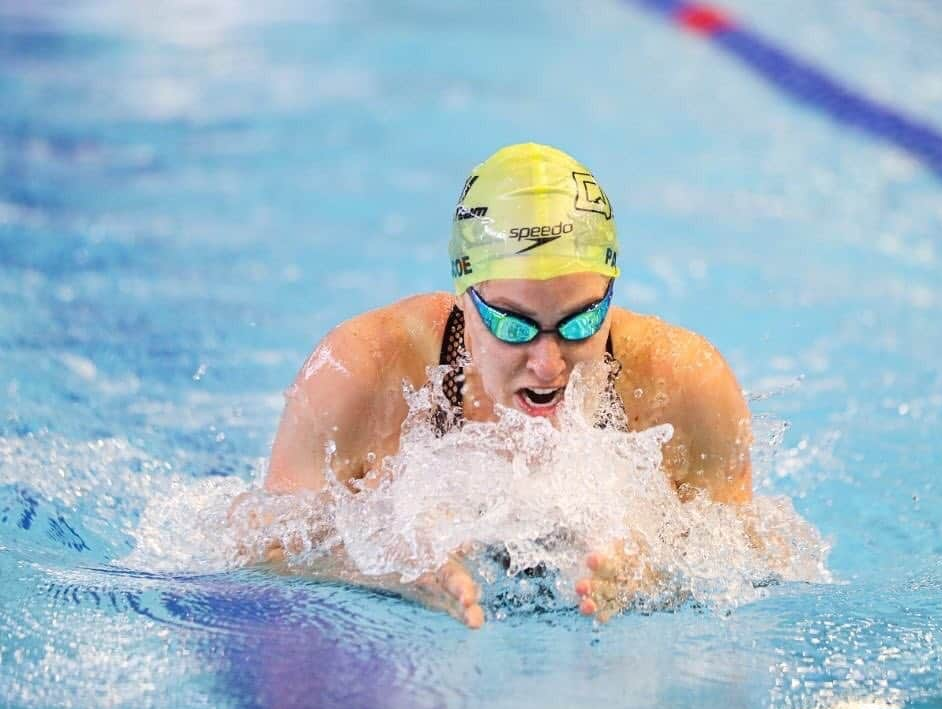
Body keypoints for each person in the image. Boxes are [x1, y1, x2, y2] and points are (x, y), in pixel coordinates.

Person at [244, 143, 752, 628]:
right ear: (464, 297)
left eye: (579, 322)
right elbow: (255, 546)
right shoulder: (361, 370)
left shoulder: (686, 382)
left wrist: (654, 572)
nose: (548, 365)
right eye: (514, 326)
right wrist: (388, 569)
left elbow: (761, 553)